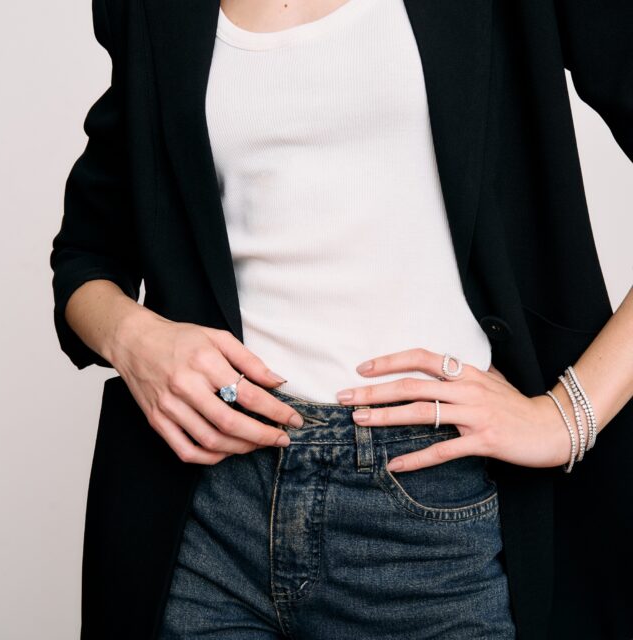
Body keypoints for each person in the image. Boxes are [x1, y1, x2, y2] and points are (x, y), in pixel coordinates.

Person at [49, 0, 633, 638]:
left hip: (434, 517)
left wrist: (567, 416)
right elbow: (86, 255)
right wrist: (134, 338)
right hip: (209, 514)